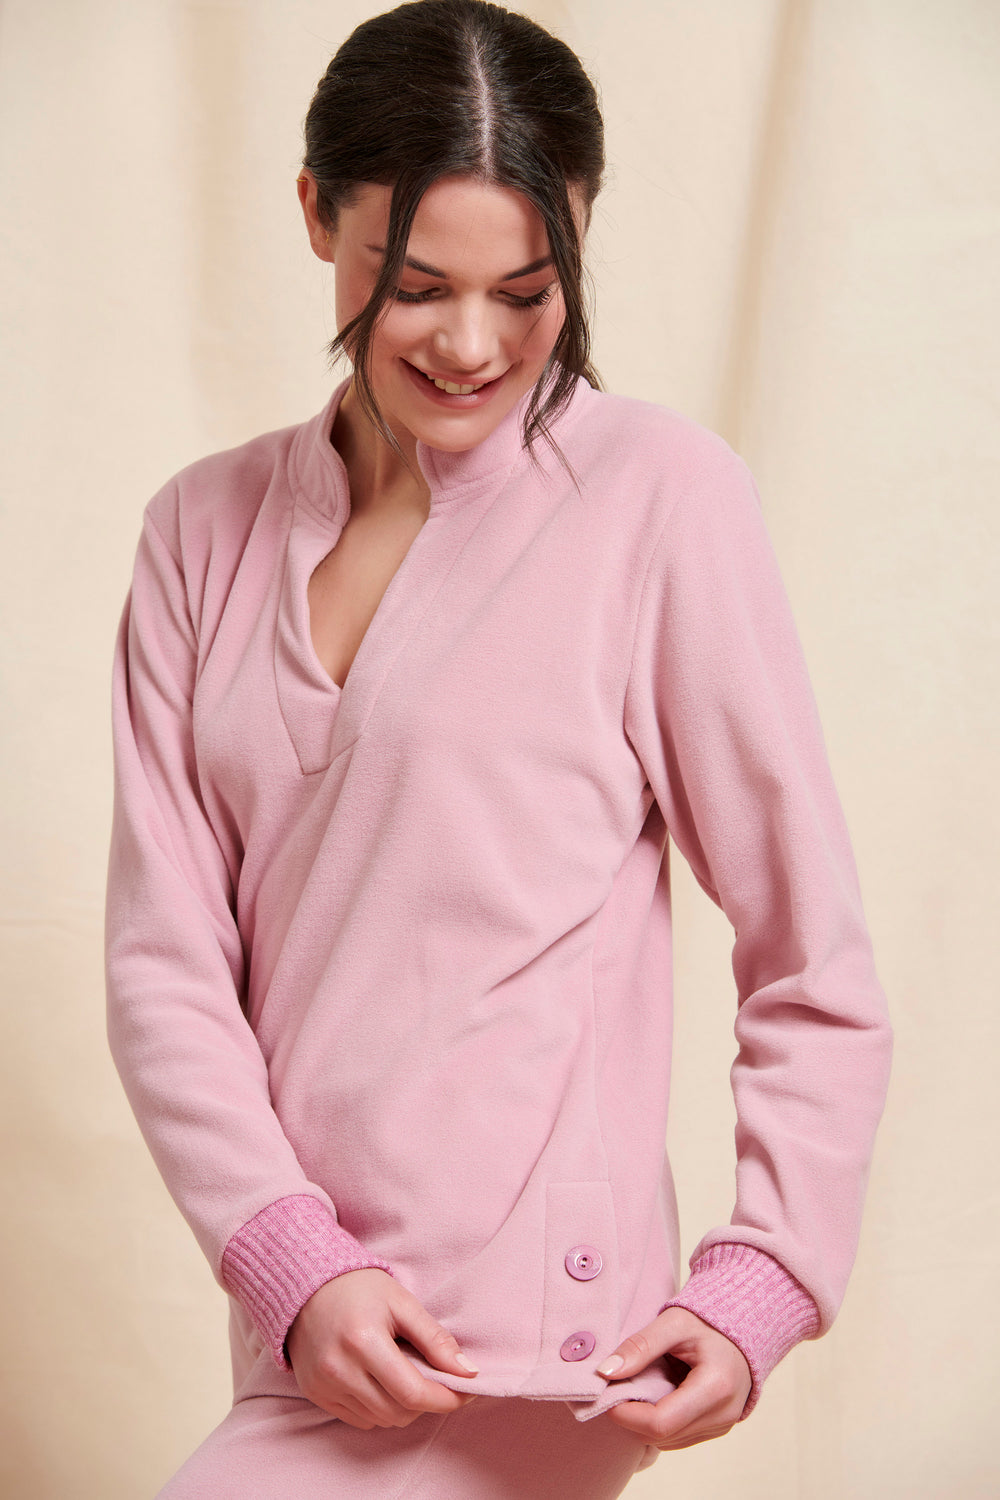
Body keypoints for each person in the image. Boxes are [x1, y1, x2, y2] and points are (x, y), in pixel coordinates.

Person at [104, 2, 893, 1495]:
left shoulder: (657, 501)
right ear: (316, 217)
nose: (473, 347)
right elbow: (166, 966)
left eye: (529, 292)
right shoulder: (198, 533)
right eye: (415, 286)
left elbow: (812, 952)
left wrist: (765, 1277)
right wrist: (288, 1258)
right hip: (318, 1341)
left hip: (540, 1354)